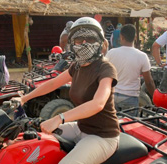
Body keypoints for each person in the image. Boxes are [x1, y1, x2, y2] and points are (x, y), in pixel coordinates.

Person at [14, 17, 120, 164]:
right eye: (79, 40)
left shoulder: (105, 68)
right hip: (80, 128)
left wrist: (59, 118)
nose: (84, 43)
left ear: (99, 42)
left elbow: (98, 103)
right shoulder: (76, 66)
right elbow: (53, 83)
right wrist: (24, 98)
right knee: (33, 140)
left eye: (90, 39)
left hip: (103, 136)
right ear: (72, 43)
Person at [106, 24, 155, 112]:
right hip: (130, 97)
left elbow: (104, 73)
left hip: (112, 95)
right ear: (135, 37)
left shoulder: (111, 53)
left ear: (121, 37)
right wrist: (155, 99)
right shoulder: (142, 56)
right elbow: (149, 82)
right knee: (129, 124)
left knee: (112, 125)